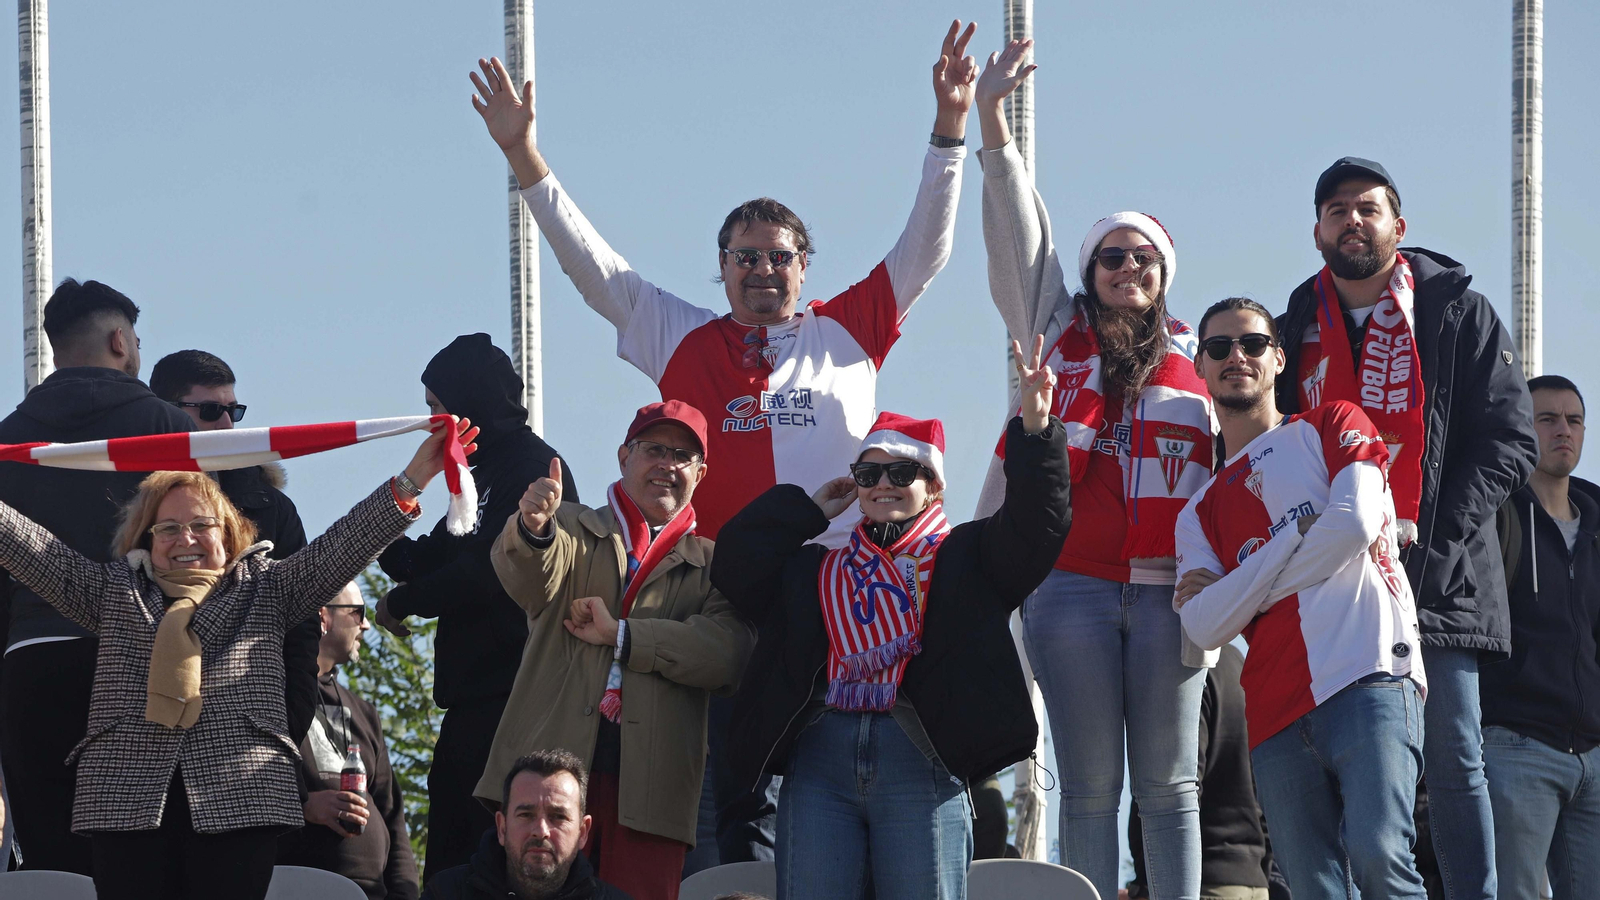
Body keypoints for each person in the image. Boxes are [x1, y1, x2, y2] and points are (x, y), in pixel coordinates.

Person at [471, 24, 979, 865]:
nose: (762, 271)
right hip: (708, 599)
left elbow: (926, 247)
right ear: (722, 266)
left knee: (810, 806)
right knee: (710, 810)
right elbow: (591, 268)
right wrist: (527, 160)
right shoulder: (680, 335)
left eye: (780, 257)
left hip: (834, 603)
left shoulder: (850, 331)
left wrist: (949, 129)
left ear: (806, 267)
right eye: (744, 257)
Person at [0, 416, 472, 899]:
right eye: (169, 528)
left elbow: (342, 546)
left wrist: (412, 481)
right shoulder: (112, 591)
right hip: (126, 803)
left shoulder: (269, 587)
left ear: (229, 534)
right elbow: (32, 549)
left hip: (241, 799)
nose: (185, 539)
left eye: (201, 525)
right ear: (147, 537)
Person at [970, 39, 1214, 900]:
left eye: (1142, 257)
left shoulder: (1203, 355)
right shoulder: (1053, 329)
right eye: (1110, 256)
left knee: (1169, 785)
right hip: (1068, 588)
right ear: (1088, 272)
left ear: (1163, 276)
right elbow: (1017, 231)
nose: (1126, 268)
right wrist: (992, 126)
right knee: (1091, 788)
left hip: (1168, 594)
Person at [711, 338, 1070, 899]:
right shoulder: (816, 567)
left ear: (934, 488)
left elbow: (1038, 524)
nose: (882, 485)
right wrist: (805, 509)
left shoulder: (967, 557)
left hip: (922, 757)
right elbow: (734, 567)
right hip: (820, 761)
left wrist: (1036, 428)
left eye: (902, 473)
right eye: (868, 473)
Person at [1274, 158, 1537, 900]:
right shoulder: (1294, 326)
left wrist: (1434, 536)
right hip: (1336, 586)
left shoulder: (1456, 311)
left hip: (1439, 578)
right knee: (1347, 762)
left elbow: (1510, 441)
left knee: (1455, 763)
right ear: (1317, 230)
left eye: (1367, 208)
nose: (1351, 220)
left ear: (1399, 225)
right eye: (1335, 210)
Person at [1175, 297, 1428, 900]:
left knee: (1381, 859)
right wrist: (1294, 534)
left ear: (1279, 358)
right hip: (1273, 710)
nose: (1237, 356)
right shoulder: (1198, 510)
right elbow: (1204, 627)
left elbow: (1357, 522)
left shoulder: (1334, 420)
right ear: (1202, 370)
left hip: (1369, 673)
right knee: (1313, 891)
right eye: (1219, 348)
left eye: (1253, 344)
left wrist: (1246, 590)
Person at [482, 400, 752, 900]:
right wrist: (532, 528)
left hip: (654, 791)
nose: (667, 465)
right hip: (548, 783)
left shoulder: (715, 562)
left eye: (683, 455)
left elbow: (726, 655)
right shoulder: (568, 526)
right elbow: (527, 577)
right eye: (654, 449)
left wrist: (622, 636)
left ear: (701, 472)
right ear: (624, 455)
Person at [0, 278, 197, 875]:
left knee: (52, 861)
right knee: (139, 855)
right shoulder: (167, 427)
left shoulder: (8, 440)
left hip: (29, 662)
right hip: (137, 659)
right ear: (119, 340)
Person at [375, 334, 577, 881]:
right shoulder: (475, 476)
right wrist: (368, 532)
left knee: (496, 861)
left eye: (438, 410)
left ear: (471, 404)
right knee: (452, 859)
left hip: (517, 698)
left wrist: (405, 602)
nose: (432, 422)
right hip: (472, 697)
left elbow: (489, 570)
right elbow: (431, 557)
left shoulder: (532, 468)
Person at [149, 349, 322, 747]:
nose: (227, 423)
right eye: (210, 410)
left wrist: (290, 717)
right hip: (155, 723)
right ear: (168, 412)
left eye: (234, 410)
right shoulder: (134, 501)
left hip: (252, 724)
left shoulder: (272, 506)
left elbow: (303, 615)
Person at [1480, 375, 1600, 900]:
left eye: (1573, 420)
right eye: (1547, 418)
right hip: (1515, 746)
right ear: (1522, 427)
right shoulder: (1493, 514)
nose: (1563, 431)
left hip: (1593, 754)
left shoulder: (1597, 525)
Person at [278, 582, 420, 900]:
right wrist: (303, 805)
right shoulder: (272, 696)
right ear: (322, 617)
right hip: (295, 887)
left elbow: (392, 816)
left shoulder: (365, 713)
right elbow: (240, 786)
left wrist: (405, 892)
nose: (366, 624)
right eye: (358, 613)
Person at [1126, 645, 1289, 900]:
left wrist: (1147, 884)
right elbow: (1268, 787)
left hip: (1202, 883)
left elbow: (1177, 786)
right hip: (1254, 884)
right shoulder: (1240, 664)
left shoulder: (1186, 667)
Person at [423, 750, 632, 900]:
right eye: (526, 815)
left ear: (582, 832)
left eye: (558, 817)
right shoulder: (446, 893)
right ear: (502, 827)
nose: (541, 831)